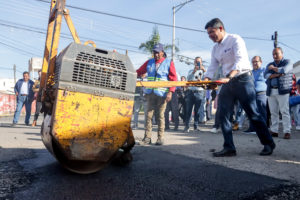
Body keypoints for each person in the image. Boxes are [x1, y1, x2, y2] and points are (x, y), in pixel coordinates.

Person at [204, 18, 275, 156]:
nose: (210, 36)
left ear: (220, 29)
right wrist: (206, 79)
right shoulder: (215, 48)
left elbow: (240, 60)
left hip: (243, 79)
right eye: (208, 34)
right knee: (224, 114)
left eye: (212, 32)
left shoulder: (235, 39)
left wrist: (230, 76)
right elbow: (213, 65)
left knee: (253, 113)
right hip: (227, 83)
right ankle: (229, 147)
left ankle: (268, 143)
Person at [136, 43, 177, 145]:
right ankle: (147, 138)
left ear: (162, 52)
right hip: (150, 93)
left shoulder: (168, 62)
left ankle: (160, 138)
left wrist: (170, 92)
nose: (156, 54)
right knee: (148, 116)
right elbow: (139, 71)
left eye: (157, 52)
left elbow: (173, 79)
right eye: (154, 52)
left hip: (162, 94)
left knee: (160, 116)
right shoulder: (149, 62)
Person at [264, 47, 293, 139]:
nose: (275, 56)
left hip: (283, 90)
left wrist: (273, 69)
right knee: (273, 112)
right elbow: (266, 75)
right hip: (271, 90)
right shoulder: (270, 64)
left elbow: (284, 70)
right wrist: (278, 73)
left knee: (284, 111)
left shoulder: (288, 62)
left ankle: (287, 131)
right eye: (273, 54)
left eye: (276, 53)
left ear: (282, 53)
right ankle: (274, 130)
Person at [244, 56, 267, 134]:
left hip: (262, 94)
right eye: (253, 62)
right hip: (251, 94)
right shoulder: (251, 72)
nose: (254, 63)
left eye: (256, 61)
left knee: (262, 112)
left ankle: (263, 129)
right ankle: (252, 128)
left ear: (261, 62)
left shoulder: (264, 70)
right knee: (252, 112)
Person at [184, 57, 206, 133]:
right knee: (188, 110)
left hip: (199, 92)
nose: (197, 63)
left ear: (202, 63)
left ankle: (196, 126)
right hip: (191, 91)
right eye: (196, 62)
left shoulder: (204, 71)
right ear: (194, 63)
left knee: (197, 111)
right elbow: (188, 79)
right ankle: (187, 126)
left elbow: (208, 79)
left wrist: (204, 71)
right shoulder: (191, 71)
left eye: (199, 62)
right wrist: (194, 71)